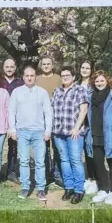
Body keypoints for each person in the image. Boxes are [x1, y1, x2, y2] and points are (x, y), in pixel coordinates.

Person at [8, 65, 52, 201]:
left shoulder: (42, 92)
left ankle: (40, 189)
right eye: (27, 75)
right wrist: (13, 129)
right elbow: (11, 112)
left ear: (35, 77)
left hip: (39, 132)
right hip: (22, 132)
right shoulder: (16, 92)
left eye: (32, 75)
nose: (29, 78)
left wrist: (48, 130)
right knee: (24, 161)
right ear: (23, 77)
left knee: (40, 162)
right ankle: (25, 187)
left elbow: (48, 113)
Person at [51, 66, 89, 204]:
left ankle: (79, 190)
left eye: (68, 75)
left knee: (75, 161)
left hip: (74, 133)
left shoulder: (80, 90)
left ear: (73, 77)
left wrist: (76, 128)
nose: (65, 77)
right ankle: (69, 187)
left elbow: (83, 110)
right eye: (63, 75)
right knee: (64, 161)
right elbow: (52, 110)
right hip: (58, 132)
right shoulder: (56, 91)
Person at [85, 70, 112, 205]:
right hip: (94, 135)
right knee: (98, 163)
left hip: (110, 135)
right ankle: (104, 189)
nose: (99, 83)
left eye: (102, 80)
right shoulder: (90, 97)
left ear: (107, 81)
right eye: (97, 81)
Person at [35, 56, 63, 187]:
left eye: (48, 64)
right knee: (43, 148)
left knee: (57, 147)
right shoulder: (37, 79)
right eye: (44, 64)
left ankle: (57, 174)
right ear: (41, 65)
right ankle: (46, 175)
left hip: (57, 118)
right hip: (41, 119)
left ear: (52, 65)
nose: (46, 66)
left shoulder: (59, 78)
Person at [0, 57, 24, 184]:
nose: (9, 69)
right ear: (3, 68)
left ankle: (11, 172)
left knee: (13, 146)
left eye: (11, 67)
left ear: (15, 68)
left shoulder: (20, 82)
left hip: (16, 119)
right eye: (7, 67)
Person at [78, 60, 98, 196]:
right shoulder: (77, 84)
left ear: (91, 70)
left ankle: (94, 180)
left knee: (91, 152)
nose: (84, 70)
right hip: (80, 123)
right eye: (83, 67)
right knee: (83, 150)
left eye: (87, 68)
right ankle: (87, 177)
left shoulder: (93, 85)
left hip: (91, 121)